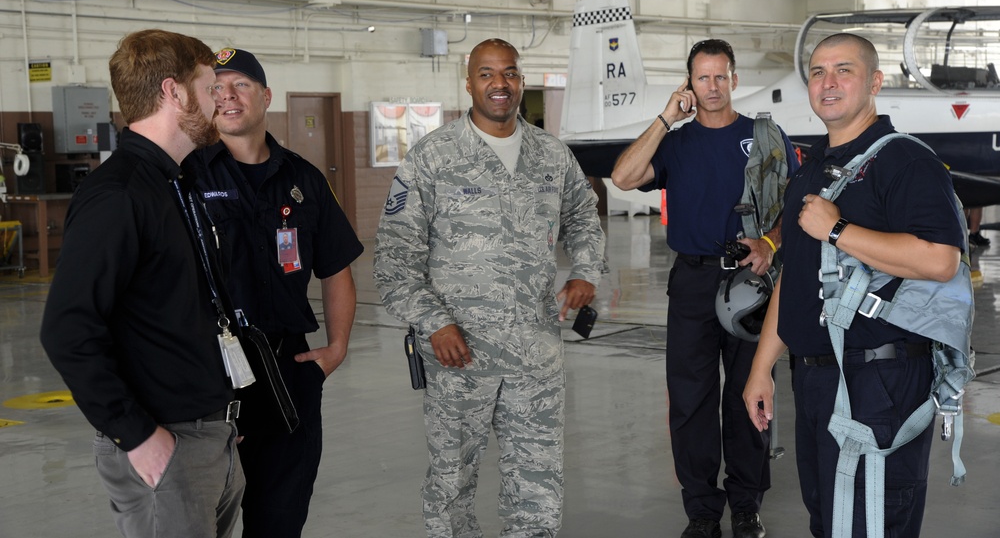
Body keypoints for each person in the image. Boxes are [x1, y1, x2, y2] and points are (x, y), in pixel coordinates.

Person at [373, 38, 606, 537]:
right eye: (486, 73)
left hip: (535, 356)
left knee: (538, 486)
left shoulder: (551, 154)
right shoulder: (432, 158)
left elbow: (584, 215)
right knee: (451, 485)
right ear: (469, 82)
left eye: (510, 73)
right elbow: (395, 258)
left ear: (520, 80)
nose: (499, 84)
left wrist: (586, 269)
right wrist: (434, 323)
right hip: (461, 359)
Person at [743, 33, 964, 537]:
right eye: (818, 72)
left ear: (875, 82)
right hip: (817, 381)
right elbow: (795, 278)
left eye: (844, 70)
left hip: (881, 381)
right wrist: (761, 369)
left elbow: (941, 260)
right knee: (829, 519)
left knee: (872, 521)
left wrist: (840, 230)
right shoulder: (812, 170)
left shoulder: (905, 162)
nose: (828, 82)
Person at [40, 29, 244, 538]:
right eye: (207, 87)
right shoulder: (120, 195)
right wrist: (136, 435)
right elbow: (67, 329)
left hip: (205, 433)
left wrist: (216, 416)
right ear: (173, 93)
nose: (219, 99)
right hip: (165, 443)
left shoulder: (174, 182)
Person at [611, 39, 798, 538]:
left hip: (750, 280)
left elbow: (795, 207)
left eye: (721, 76)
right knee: (690, 399)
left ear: (734, 80)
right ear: (687, 85)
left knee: (748, 393)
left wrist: (769, 243)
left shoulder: (765, 137)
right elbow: (623, 176)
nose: (712, 87)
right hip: (692, 281)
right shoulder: (674, 142)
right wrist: (665, 118)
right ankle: (701, 509)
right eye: (701, 78)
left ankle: (746, 504)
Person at [186, 48, 364, 538]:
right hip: (212, 374)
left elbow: (335, 268)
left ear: (266, 96)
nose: (227, 96)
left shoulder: (303, 179)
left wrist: (337, 349)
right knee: (201, 519)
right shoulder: (186, 178)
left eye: (240, 84)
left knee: (280, 518)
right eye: (216, 87)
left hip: (288, 367)